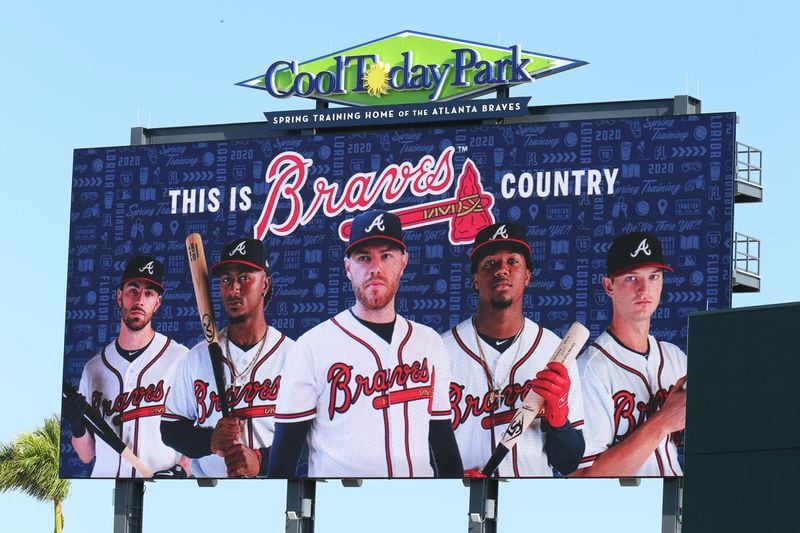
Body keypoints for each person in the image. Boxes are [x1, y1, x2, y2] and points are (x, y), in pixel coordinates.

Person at [269, 210, 462, 478]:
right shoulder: (312, 346)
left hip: (420, 507)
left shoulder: (428, 342)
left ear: (404, 262)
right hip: (340, 507)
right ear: (348, 267)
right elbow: (284, 459)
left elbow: (443, 444)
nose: (375, 268)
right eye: (364, 258)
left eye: (386, 256)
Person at [443, 222, 585, 477]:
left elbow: (568, 463)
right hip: (460, 498)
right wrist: (450, 479)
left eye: (513, 262)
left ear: (528, 276)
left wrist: (558, 418)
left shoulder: (552, 350)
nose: (502, 271)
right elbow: (421, 448)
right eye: (490, 264)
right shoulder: (442, 351)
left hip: (530, 506)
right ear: (475, 279)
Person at [161, 237, 293, 478]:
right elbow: (170, 429)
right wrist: (209, 440)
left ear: (265, 283)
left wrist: (260, 460)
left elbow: (309, 437)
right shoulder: (197, 357)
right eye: (226, 280)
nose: (234, 289)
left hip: (274, 488)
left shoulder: (293, 356)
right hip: (210, 492)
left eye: (245, 278)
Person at [63, 256, 189, 478]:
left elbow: (205, 430)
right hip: (103, 489)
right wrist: (77, 427)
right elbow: (86, 455)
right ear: (120, 296)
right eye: (133, 290)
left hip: (161, 491)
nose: (140, 300)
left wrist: (182, 471)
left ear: (157, 302)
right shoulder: (93, 368)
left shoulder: (180, 359)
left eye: (149, 293)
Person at [574, 232, 687, 477]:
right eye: (631, 278)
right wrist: (663, 421)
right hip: (626, 506)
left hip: (677, 498)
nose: (644, 289)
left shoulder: (675, 358)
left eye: (653, 277)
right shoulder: (589, 370)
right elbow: (585, 477)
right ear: (608, 286)